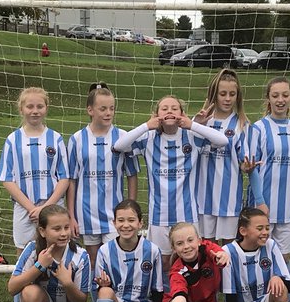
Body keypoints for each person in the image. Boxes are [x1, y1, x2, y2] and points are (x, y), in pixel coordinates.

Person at [112, 95, 228, 274]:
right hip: (159, 214)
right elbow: (119, 146)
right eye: (164, 108)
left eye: (174, 108)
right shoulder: (149, 138)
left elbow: (223, 141)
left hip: (187, 213)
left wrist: (193, 124)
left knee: (190, 258)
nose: (169, 111)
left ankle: (189, 298)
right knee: (163, 262)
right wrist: (146, 126)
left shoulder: (191, 136)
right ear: (156, 114)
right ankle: (165, 298)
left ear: (182, 114)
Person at [0, 86, 70, 302]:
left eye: (40, 106)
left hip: (53, 208)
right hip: (25, 209)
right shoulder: (13, 140)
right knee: (22, 264)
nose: (35, 111)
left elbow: (65, 177)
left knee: (60, 256)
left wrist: (47, 207)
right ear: (21, 109)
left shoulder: (56, 139)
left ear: (46, 108)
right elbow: (7, 178)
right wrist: (30, 207)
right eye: (30, 106)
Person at [65, 82, 139, 271]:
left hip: (115, 214)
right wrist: (71, 216)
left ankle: (118, 299)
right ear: (90, 110)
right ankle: (99, 300)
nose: (108, 113)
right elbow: (72, 180)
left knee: (116, 261)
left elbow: (132, 175)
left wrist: (130, 210)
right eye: (103, 108)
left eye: (112, 108)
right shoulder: (77, 139)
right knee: (93, 262)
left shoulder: (123, 136)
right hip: (86, 213)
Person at [194, 68, 251, 244]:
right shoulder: (200, 121)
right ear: (214, 94)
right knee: (205, 246)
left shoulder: (242, 124)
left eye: (232, 94)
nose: (227, 99)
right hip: (202, 196)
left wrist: (246, 167)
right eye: (223, 94)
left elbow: (243, 161)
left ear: (237, 96)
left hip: (229, 196)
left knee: (228, 247)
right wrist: (197, 125)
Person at [246, 77, 290, 252]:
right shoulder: (258, 128)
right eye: (275, 95)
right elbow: (251, 169)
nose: (280, 100)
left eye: (285, 95)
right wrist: (260, 202)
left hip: (286, 205)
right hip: (262, 204)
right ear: (268, 99)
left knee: (283, 255)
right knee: (259, 252)